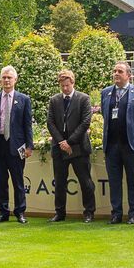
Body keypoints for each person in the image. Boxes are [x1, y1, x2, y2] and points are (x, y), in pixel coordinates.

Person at [100, 62, 134, 225]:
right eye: (114, 71)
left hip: (131, 144)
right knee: (114, 181)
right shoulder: (106, 93)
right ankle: (116, 214)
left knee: (133, 181)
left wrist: (132, 128)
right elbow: (104, 114)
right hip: (112, 145)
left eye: (120, 71)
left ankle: (133, 214)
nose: (116, 74)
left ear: (128, 75)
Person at [46, 70, 96, 223]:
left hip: (79, 147)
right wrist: (62, 142)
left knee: (85, 181)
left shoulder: (84, 99)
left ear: (73, 83)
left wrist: (70, 142)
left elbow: (85, 122)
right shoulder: (54, 100)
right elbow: (50, 123)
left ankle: (89, 212)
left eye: (67, 85)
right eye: (62, 86)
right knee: (59, 182)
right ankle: (59, 213)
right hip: (59, 148)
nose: (65, 88)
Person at [0, 66, 34, 224]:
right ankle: (3, 212)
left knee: (18, 181)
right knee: (1, 181)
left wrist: (29, 146)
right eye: (4, 77)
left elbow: (27, 125)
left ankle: (20, 212)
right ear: (1, 80)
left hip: (17, 146)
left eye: (9, 78)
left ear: (15, 80)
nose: (6, 80)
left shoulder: (24, 99)